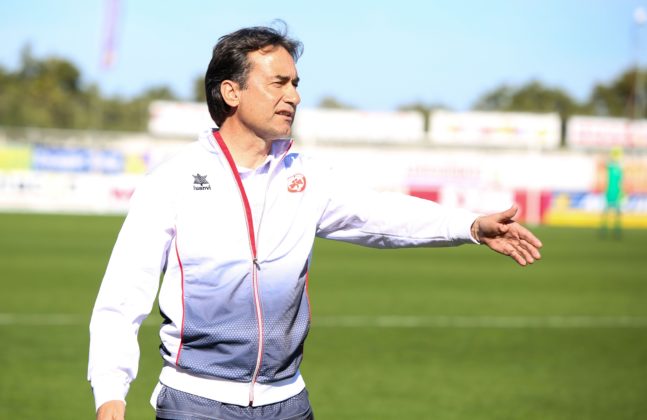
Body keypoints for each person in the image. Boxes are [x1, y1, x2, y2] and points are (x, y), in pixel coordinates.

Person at [88, 24, 543, 420]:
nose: (294, 96)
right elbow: (122, 296)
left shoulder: (306, 176)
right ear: (231, 92)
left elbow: (380, 214)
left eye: (296, 83)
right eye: (279, 83)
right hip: (195, 403)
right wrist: (110, 393)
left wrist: (469, 226)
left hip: (288, 402)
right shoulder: (170, 182)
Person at [600, 146, 624, 238]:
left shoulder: (619, 168)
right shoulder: (611, 167)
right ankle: (604, 230)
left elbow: (621, 182)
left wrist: (622, 193)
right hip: (610, 193)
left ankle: (616, 231)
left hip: (617, 193)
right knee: (606, 213)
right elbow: (607, 163)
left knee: (617, 214)